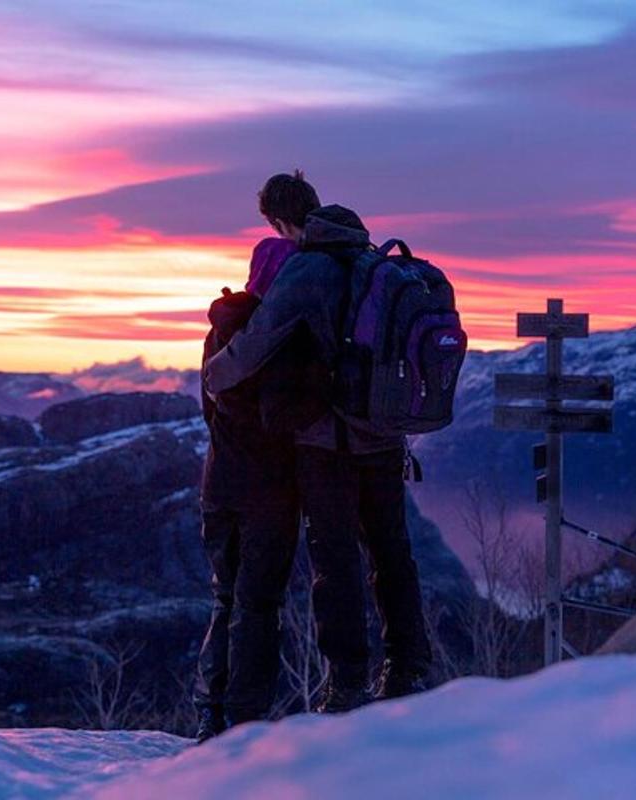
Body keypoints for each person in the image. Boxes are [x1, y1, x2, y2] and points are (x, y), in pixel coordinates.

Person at [203, 171, 433, 713]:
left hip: (329, 442)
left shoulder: (307, 267)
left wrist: (214, 375)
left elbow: (259, 342)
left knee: (335, 561)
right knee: (392, 551)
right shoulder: (372, 257)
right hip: (384, 435)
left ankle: (347, 682)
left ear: (281, 222)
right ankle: (408, 667)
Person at [193, 230, 328, 742]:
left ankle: (211, 708)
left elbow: (210, 406)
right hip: (270, 492)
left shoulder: (221, 327)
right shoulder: (289, 335)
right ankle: (244, 721)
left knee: (225, 598)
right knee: (259, 604)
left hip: (220, 484)